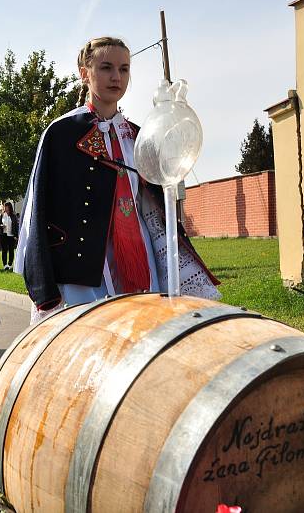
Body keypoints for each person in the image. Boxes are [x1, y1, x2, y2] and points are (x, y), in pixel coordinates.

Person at [15, 37, 220, 322]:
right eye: (106, 68)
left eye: (124, 69)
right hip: (83, 267)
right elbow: (38, 210)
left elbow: (156, 204)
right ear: (84, 73)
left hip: (139, 255)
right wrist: (42, 283)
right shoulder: (61, 133)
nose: (116, 77)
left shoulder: (140, 135)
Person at [0, 201, 18, 271]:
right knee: (4, 250)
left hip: (11, 235)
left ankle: (10, 264)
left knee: (11, 250)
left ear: (9, 207)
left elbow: (16, 226)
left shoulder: (13, 216)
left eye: (6, 206)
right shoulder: (2, 215)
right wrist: (1, 226)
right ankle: (5, 264)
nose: (5, 208)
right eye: (4, 206)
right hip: (3, 235)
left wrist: (16, 235)